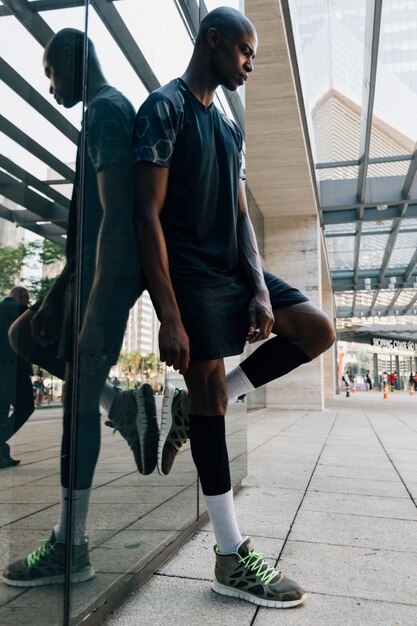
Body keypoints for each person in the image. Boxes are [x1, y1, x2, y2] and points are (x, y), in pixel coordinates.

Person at [129, 6, 335, 609]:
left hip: (232, 267)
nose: (249, 64)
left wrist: (262, 288)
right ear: (212, 41)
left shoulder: (229, 127)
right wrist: (168, 313)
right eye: (245, 52)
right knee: (212, 393)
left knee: (316, 330)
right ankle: (228, 556)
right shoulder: (163, 109)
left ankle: (195, 411)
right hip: (188, 273)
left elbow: (243, 215)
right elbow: (146, 215)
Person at [2, 28, 150, 587]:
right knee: (25, 336)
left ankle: (72, 546)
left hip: (104, 274)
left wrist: (97, 299)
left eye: (48, 71)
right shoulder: (102, 110)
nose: (48, 84)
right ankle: (122, 408)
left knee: (78, 399)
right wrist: (69, 280)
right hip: (86, 271)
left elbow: (116, 213)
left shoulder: (108, 110)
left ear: (71, 59)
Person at [0, 286, 34, 468]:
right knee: (26, 406)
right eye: (27, 301)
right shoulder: (21, 310)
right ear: (23, 297)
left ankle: (2, 454)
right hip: (14, 368)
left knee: (1, 411)